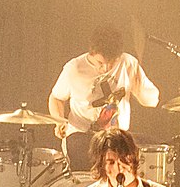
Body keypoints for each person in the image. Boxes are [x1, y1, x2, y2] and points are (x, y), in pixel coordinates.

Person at [48, 24, 160, 171]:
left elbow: (152, 101)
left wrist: (140, 89)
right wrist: (59, 121)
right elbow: (56, 98)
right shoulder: (74, 68)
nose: (106, 68)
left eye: (112, 62)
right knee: (86, 150)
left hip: (117, 137)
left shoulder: (128, 63)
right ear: (91, 53)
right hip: (82, 136)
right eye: (100, 63)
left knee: (154, 146)